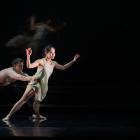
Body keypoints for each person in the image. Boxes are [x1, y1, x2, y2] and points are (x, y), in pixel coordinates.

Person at [2, 45, 80, 121]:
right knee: (23, 100)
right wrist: (28, 56)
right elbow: (29, 66)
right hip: (36, 82)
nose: (53, 54)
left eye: (54, 53)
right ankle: (8, 116)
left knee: (37, 102)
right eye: (51, 53)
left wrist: (73, 60)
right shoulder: (41, 61)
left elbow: (63, 67)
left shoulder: (54, 63)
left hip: (43, 85)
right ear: (46, 53)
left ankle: (37, 115)